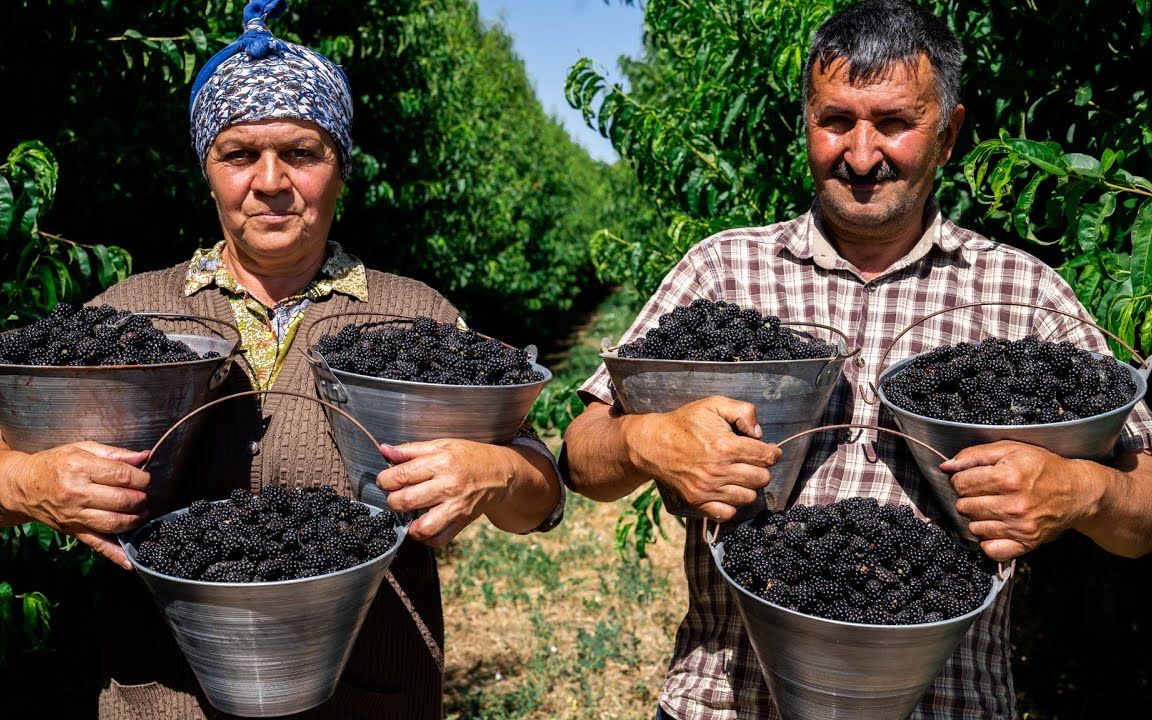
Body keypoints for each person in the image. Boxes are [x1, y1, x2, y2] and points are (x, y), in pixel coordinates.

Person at [561, 1, 1152, 718]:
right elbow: (583, 457)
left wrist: (1085, 492)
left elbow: (1143, 506)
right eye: (836, 120)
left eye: (896, 123)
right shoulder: (720, 272)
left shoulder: (1027, 296)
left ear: (949, 134)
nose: (862, 153)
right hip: (727, 701)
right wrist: (644, 438)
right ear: (805, 122)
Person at [0, 1, 564, 717]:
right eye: (239, 155)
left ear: (340, 168)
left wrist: (500, 471)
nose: (270, 181)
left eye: (302, 151)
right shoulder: (128, 317)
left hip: (369, 695)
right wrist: (23, 481)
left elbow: (540, 499)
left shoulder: (416, 315)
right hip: (163, 696)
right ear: (207, 170)